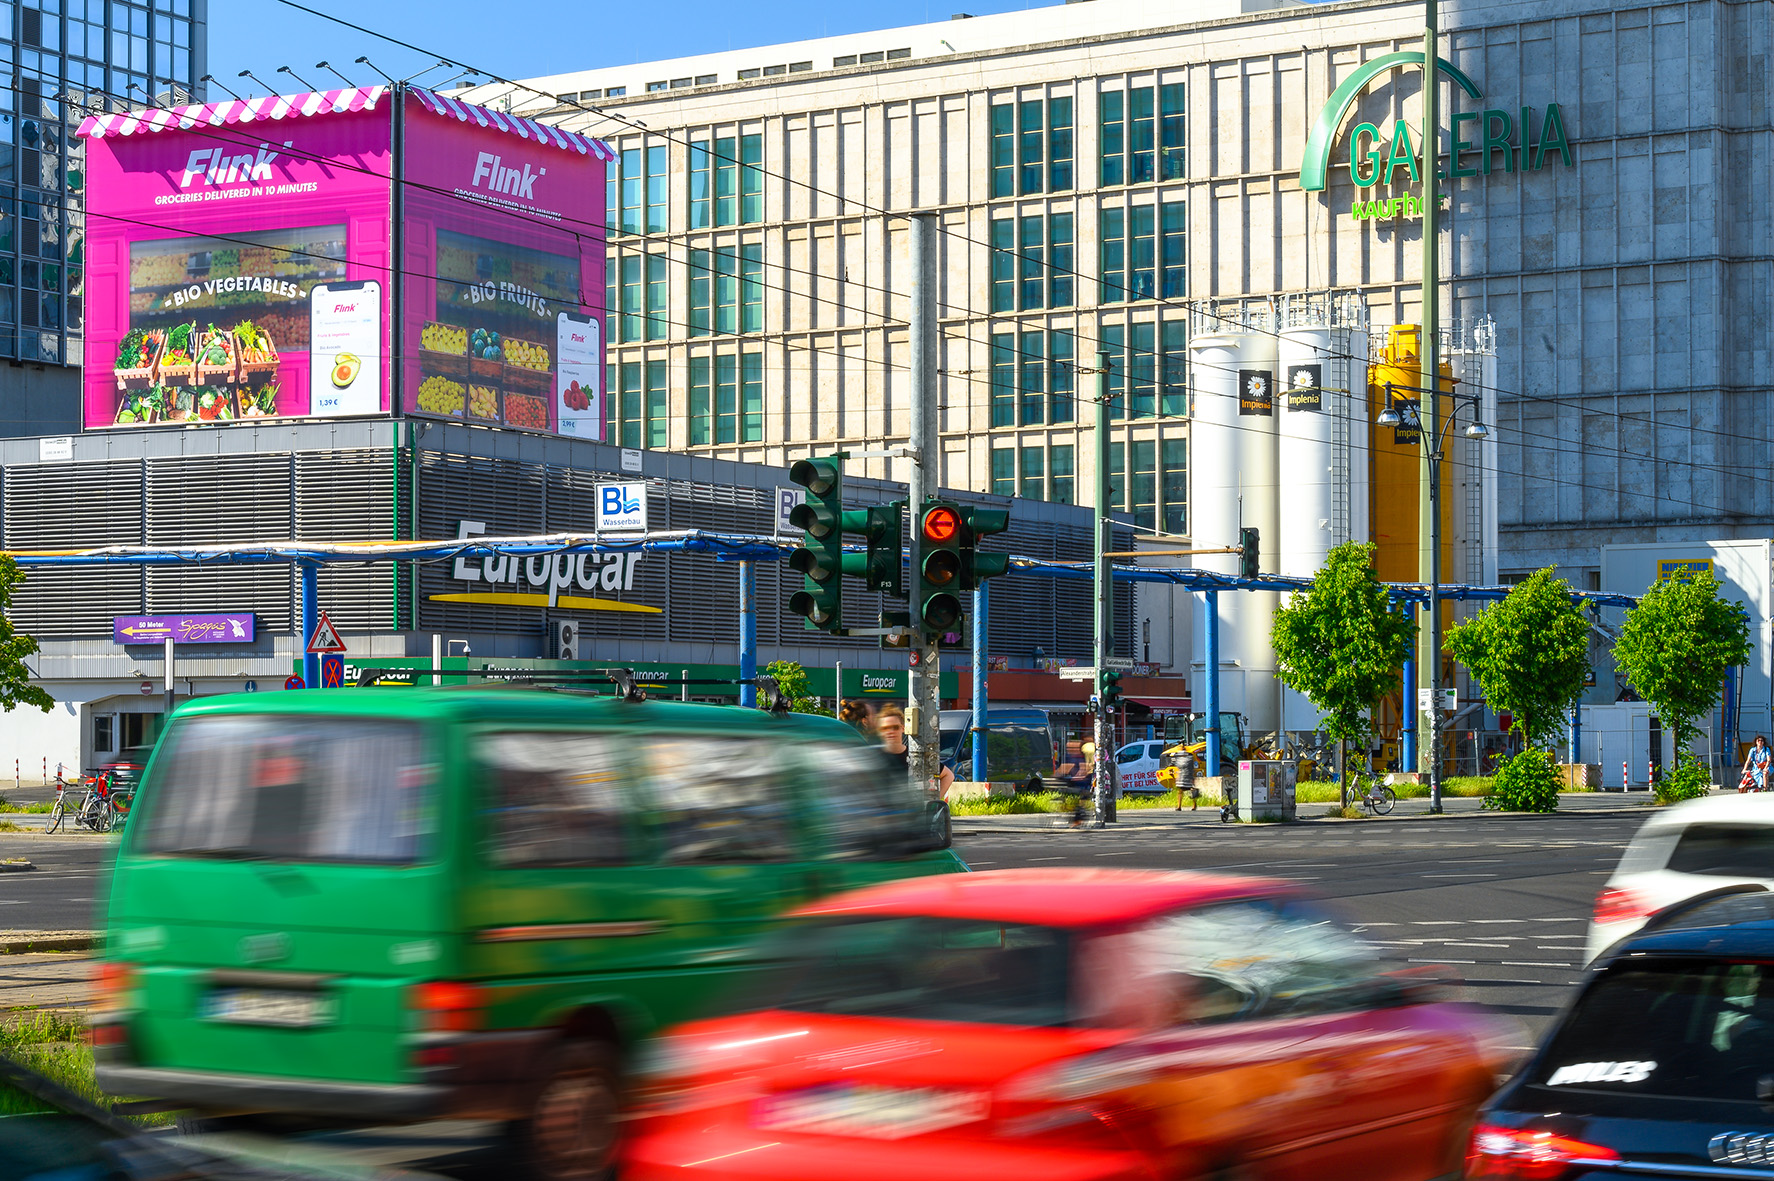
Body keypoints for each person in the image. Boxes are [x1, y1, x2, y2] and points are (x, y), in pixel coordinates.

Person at [875, 704, 955, 796]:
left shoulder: (916, 756)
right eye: (885, 728)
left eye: (895, 727)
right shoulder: (873, 758)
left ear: (903, 728)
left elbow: (948, 775)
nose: (890, 732)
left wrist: (934, 801)